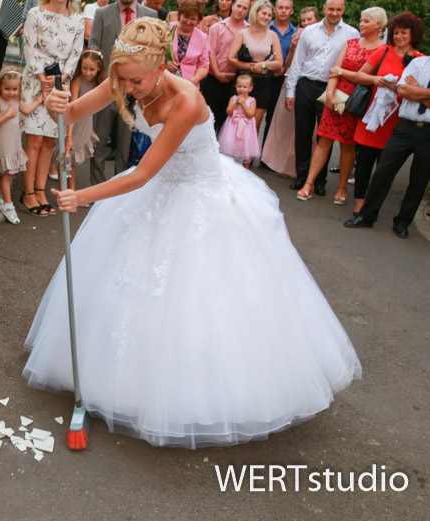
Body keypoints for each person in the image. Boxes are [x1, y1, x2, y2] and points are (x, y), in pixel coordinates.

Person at [27, 17, 361, 448]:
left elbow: (143, 174)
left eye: (136, 81)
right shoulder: (125, 77)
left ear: (161, 66)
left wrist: (82, 195)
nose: (128, 89)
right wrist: (56, 103)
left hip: (198, 192)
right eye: (123, 81)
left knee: (200, 297)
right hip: (159, 188)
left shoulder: (185, 100)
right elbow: (72, 113)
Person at [295, 7, 387, 204]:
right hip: (336, 97)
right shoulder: (350, 43)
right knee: (324, 141)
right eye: (361, 20)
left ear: (378, 24)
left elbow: (368, 78)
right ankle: (308, 184)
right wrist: (329, 95)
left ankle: (342, 188)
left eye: (366, 21)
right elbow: (333, 71)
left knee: (348, 145)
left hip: (357, 101)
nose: (361, 24)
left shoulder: (383, 50)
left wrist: (343, 73)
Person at [344, 54, 430, 239]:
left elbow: (409, 91)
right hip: (405, 127)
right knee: (383, 171)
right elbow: (403, 91)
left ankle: (402, 222)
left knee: (419, 180)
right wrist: (422, 93)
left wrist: (417, 90)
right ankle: (367, 215)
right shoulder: (418, 63)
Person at [350, 12, 425, 215]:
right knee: (364, 162)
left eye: (404, 32)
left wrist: (403, 89)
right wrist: (376, 80)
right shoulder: (383, 51)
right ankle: (360, 202)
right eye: (396, 32)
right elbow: (360, 75)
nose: (399, 36)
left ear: (413, 34)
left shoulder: (421, 60)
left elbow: (420, 90)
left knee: (385, 168)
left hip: (398, 121)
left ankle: (374, 205)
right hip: (373, 116)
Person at [284, 0, 358, 195]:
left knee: (325, 137)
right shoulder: (309, 31)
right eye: (331, 9)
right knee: (302, 133)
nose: (334, 13)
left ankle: (319, 180)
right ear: (324, 9)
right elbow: (298, 62)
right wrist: (291, 90)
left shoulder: (351, 34)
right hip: (306, 84)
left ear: (343, 10)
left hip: (332, 89)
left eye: (338, 9)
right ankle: (302, 176)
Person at [19, 0, 84, 216]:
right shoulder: (35, 13)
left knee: (49, 140)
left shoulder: (78, 18)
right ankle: (28, 193)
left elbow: (75, 54)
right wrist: (42, 77)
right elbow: (30, 47)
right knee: (35, 139)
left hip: (60, 84)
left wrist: (61, 78)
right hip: (35, 81)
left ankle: (40, 191)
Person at [88, 0, 158, 186]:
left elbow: (156, 56)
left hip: (136, 95)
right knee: (98, 142)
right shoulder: (102, 14)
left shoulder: (150, 15)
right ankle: (97, 190)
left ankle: (120, 189)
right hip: (107, 90)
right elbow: (93, 51)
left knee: (125, 146)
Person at [260, 6, 319, 176]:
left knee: (308, 129)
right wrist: (293, 47)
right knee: (285, 126)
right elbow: (289, 62)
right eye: (304, 20)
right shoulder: (297, 35)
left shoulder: (322, 37)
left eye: (310, 19)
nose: (306, 23)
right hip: (291, 79)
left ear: (317, 20)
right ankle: (283, 164)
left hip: (312, 83)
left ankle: (305, 166)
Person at [0, 68, 44, 224]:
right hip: (3, 143)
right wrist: (7, 116)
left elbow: (26, 110)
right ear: (0, 87)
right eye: (7, 89)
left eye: (14, 89)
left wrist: (40, 99)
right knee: (9, 173)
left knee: (8, 172)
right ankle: (8, 205)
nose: (11, 92)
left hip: (13, 142)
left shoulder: (16, 100)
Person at [226, 0, 283, 132]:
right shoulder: (243, 33)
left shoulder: (272, 36)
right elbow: (230, 59)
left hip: (263, 83)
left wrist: (263, 64)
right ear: (255, 13)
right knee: (235, 123)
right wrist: (249, 66)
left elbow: (279, 63)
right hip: (243, 82)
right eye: (263, 13)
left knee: (253, 126)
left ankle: (251, 146)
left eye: (269, 15)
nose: (266, 17)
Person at [201, 0, 250, 134]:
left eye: (244, 8)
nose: (240, 10)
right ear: (233, 6)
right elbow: (211, 52)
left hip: (236, 82)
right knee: (210, 121)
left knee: (228, 124)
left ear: (248, 11)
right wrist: (217, 73)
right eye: (238, 6)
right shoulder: (216, 27)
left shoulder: (249, 30)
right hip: (214, 79)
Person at [67, 48, 107, 193]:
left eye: (92, 69)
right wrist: (68, 135)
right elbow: (72, 109)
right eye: (84, 68)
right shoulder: (77, 82)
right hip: (74, 125)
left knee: (74, 161)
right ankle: (68, 190)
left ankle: (70, 191)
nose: (87, 73)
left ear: (99, 68)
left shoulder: (99, 84)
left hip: (85, 125)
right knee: (68, 160)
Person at [263, 0, 296, 143]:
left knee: (273, 119)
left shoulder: (295, 33)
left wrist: (284, 69)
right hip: (262, 75)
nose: (283, 10)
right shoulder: (265, 28)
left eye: (287, 8)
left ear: (292, 11)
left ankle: (266, 152)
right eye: (280, 7)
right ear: (275, 10)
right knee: (253, 115)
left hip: (281, 79)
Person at [218, 74, 260, 167]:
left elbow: (250, 114)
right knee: (230, 145)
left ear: (250, 88)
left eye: (244, 87)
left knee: (245, 148)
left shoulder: (252, 100)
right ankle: (229, 168)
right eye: (239, 86)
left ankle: (246, 170)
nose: (241, 89)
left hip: (246, 128)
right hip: (233, 126)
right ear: (236, 86)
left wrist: (244, 104)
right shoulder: (233, 98)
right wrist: (236, 104)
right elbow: (229, 112)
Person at [166, 0, 209, 88]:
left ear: (198, 20)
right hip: (166, 81)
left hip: (189, 85)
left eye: (193, 19)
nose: (188, 22)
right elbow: (155, 51)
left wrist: (195, 79)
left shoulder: (202, 37)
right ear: (180, 15)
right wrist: (165, 62)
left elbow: (204, 65)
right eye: (186, 17)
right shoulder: (168, 28)